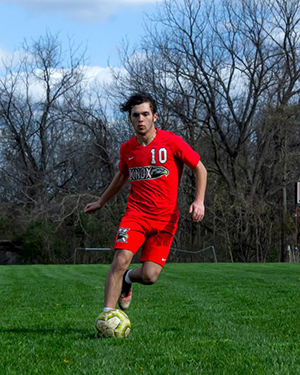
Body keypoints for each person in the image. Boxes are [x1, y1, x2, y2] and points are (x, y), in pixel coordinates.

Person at [84, 92, 207, 314]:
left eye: (145, 114)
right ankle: (106, 317)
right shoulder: (127, 149)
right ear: (130, 119)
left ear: (155, 116)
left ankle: (128, 280)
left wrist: (199, 201)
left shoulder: (171, 142)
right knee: (120, 260)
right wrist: (101, 201)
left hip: (165, 219)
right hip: (136, 216)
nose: (140, 119)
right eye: (135, 115)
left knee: (150, 276)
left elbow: (200, 168)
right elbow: (122, 176)